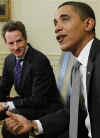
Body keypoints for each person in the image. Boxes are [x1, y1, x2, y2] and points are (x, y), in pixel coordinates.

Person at [4, 1, 100, 138]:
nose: (57, 28)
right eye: (55, 23)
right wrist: (34, 125)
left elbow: (38, 100)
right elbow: (75, 113)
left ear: (88, 24)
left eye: (65, 19)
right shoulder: (77, 67)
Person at [0, 21, 64, 138]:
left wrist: (6, 105)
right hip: (28, 102)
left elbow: (38, 100)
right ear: (5, 43)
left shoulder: (39, 61)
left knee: (13, 119)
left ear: (25, 38)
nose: (16, 47)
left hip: (46, 106)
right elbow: (3, 88)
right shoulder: (9, 60)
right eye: (11, 43)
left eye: (19, 41)